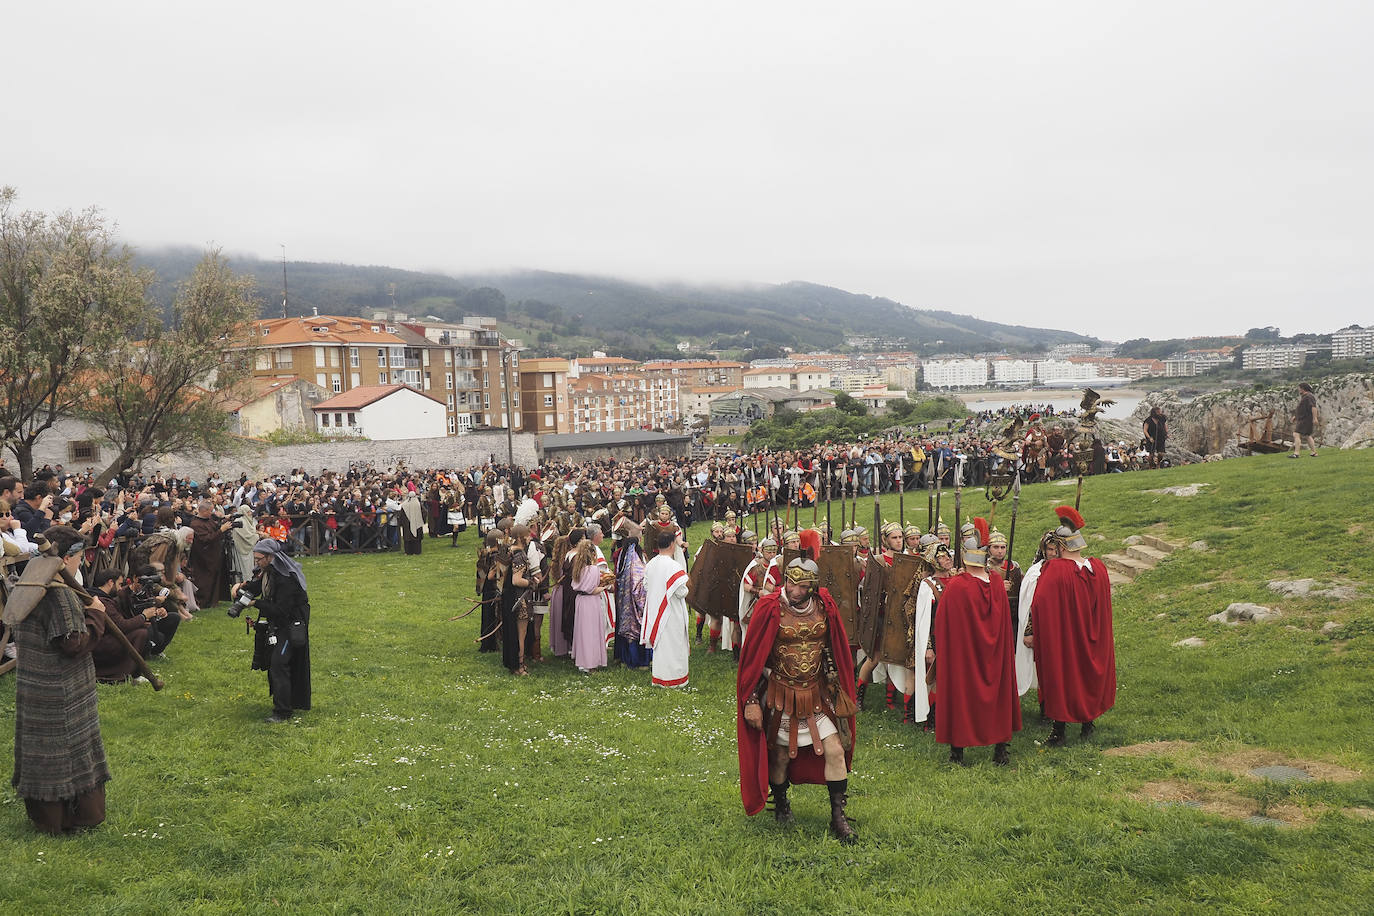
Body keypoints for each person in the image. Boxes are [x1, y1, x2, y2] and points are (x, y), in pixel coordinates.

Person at [736, 557, 858, 843]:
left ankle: (838, 817)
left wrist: (836, 679)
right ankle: (781, 803)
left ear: (812, 587)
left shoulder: (824, 608)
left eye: (801, 585)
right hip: (781, 694)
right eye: (790, 582)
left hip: (816, 694)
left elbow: (833, 646)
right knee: (778, 756)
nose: (793, 589)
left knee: (835, 750)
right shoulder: (768, 609)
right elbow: (753, 659)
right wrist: (751, 699)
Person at [11, 525, 112, 833]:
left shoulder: (27, 584)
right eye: (79, 556)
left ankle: (46, 816)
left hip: (33, 685)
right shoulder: (58, 594)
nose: (80, 562)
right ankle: (71, 817)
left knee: (43, 751)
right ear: (67, 558)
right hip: (62, 690)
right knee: (67, 752)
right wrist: (96, 614)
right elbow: (73, 643)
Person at [933, 519, 1021, 766]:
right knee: (997, 695)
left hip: (964, 657)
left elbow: (942, 625)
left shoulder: (957, 587)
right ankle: (1000, 750)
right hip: (995, 656)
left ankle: (958, 753)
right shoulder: (996, 584)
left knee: (963, 697)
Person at [1027, 506, 1116, 746]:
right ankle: (1088, 724)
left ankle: (1059, 732)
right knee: (1088, 674)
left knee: (1063, 677)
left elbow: (1040, 606)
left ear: (1061, 546)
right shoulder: (1098, 568)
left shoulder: (1055, 571)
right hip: (1093, 636)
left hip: (1065, 637)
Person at [234, 538, 312, 723]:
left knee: (279, 664)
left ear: (270, 557)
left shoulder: (286, 578)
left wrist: (255, 603)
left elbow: (281, 610)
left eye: (260, 559)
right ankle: (286, 703)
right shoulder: (267, 573)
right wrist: (240, 589)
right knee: (274, 664)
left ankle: (283, 711)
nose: (257, 562)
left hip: (290, 625)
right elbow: (255, 587)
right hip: (277, 625)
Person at [642, 528, 690, 687]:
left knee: (661, 645)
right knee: (674, 644)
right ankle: (675, 679)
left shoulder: (650, 564)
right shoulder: (674, 566)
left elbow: (646, 586)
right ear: (671, 544)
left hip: (656, 609)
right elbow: (681, 592)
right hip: (672, 611)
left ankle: (659, 677)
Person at [570, 538, 609, 673]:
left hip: (580, 601)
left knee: (582, 631)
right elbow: (593, 589)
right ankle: (590, 663)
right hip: (591, 602)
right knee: (591, 632)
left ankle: (582, 661)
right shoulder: (593, 570)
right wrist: (605, 587)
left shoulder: (577, 569)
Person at [186, 499, 233, 607]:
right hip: (203, 556)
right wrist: (221, 530)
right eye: (210, 511)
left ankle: (214, 600)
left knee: (215, 577)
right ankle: (204, 601)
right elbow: (206, 539)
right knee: (205, 579)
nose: (211, 513)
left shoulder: (208, 519)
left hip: (213, 553)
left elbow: (214, 526)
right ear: (204, 511)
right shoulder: (196, 523)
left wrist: (223, 520)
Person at [1291, 382, 1320, 458]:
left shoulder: (1308, 396)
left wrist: (1315, 418)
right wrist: (1295, 416)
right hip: (1303, 419)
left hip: (1305, 419)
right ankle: (1314, 452)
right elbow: (1302, 409)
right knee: (1307, 435)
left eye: (1299, 388)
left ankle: (1296, 453)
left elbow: (1313, 407)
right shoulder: (1305, 397)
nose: (1298, 390)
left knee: (1296, 434)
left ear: (1303, 389)